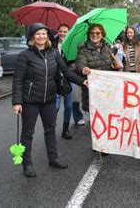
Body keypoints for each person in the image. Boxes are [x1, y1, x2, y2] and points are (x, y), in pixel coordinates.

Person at [12, 23, 86, 178]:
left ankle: (53, 159)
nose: (41, 36)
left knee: (50, 130)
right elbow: (18, 80)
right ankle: (27, 164)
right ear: (32, 37)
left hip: (50, 100)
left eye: (44, 34)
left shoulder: (54, 53)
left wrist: (82, 81)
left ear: (47, 37)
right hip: (30, 101)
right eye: (37, 34)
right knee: (28, 133)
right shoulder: (25, 55)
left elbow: (66, 71)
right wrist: (17, 102)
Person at [76, 24, 119, 112]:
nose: (94, 35)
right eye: (92, 33)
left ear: (102, 34)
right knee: (95, 118)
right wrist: (83, 69)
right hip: (93, 89)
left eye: (98, 32)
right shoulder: (83, 49)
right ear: (89, 35)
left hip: (108, 88)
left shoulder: (107, 47)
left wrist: (115, 66)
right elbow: (80, 64)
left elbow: (112, 63)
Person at [53, 24, 83, 140]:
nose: (62, 34)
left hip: (68, 77)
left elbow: (75, 61)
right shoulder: (51, 44)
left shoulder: (72, 44)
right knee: (55, 107)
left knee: (69, 105)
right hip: (55, 79)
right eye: (60, 31)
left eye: (65, 32)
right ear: (57, 32)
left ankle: (65, 129)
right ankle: (51, 126)